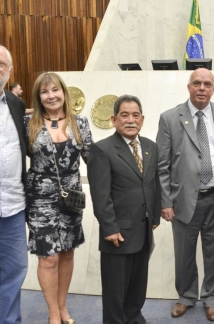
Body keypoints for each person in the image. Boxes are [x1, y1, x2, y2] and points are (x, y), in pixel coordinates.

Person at [157, 68, 214, 321]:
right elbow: (162, 165)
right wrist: (165, 201)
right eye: (197, 83)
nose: (202, 88)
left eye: (207, 84)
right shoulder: (169, 118)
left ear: (213, 89)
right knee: (184, 254)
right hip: (183, 200)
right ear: (188, 87)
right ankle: (186, 296)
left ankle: (212, 298)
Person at [25, 72, 93, 324]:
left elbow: (93, 161)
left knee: (66, 252)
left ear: (64, 93)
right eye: (45, 92)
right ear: (38, 97)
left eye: (55, 90)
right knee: (48, 256)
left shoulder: (81, 123)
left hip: (72, 196)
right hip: (40, 198)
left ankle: (63, 307)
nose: (51, 95)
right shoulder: (28, 123)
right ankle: (53, 313)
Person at [88, 95, 160, 324]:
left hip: (143, 229)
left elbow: (153, 183)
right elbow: (100, 195)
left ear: (142, 119)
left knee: (138, 286)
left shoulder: (150, 146)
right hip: (117, 233)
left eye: (135, 115)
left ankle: (134, 318)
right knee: (115, 291)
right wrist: (109, 228)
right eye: (124, 115)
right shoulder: (102, 150)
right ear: (114, 119)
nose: (131, 120)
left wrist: (154, 215)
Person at [0, 44, 28, 324]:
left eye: (0, 64)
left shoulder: (17, 105)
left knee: (13, 271)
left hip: (13, 209)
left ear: (9, 71)